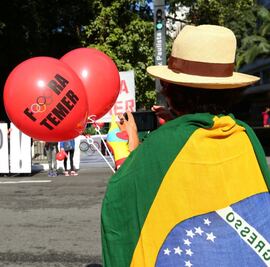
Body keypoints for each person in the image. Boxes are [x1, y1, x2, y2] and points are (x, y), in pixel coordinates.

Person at [101, 25, 270, 267]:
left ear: (172, 90)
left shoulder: (163, 144)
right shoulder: (244, 134)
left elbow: (125, 201)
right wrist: (180, 124)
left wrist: (131, 148)